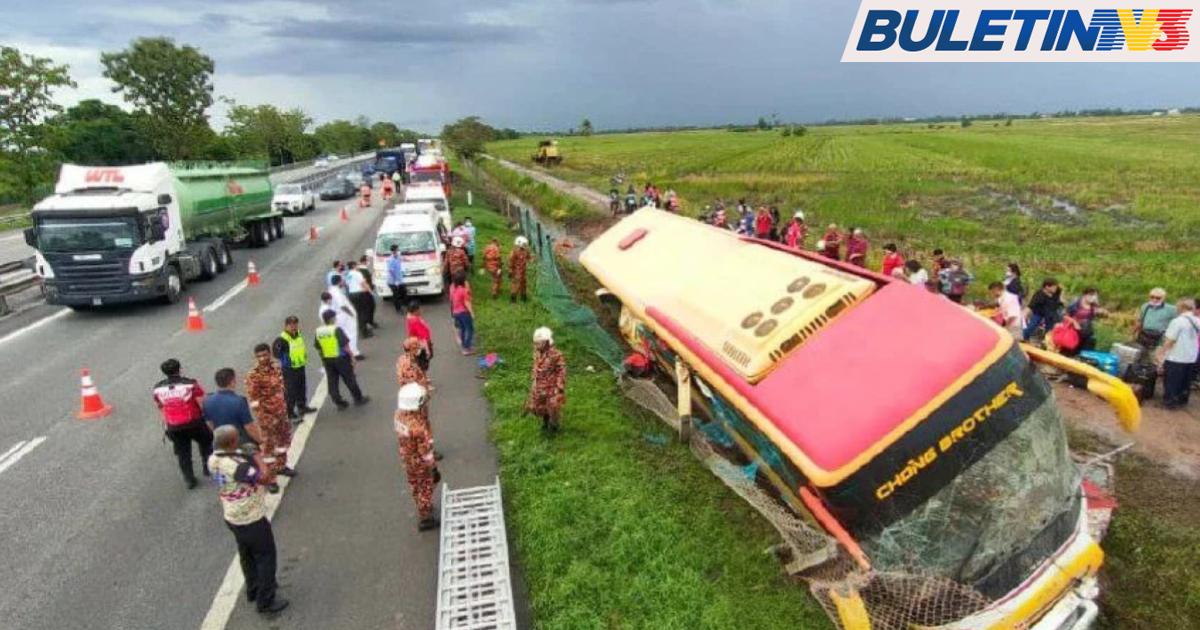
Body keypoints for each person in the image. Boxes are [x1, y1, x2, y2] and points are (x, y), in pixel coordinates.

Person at [208, 425, 289, 617]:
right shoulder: (237, 465)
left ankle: (253, 588)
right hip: (250, 517)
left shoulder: (214, 459)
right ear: (231, 442)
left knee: (247, 554)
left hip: (231, 515)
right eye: (236, 438)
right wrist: (258, 457)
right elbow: (266, 478)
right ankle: (266, 600)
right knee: (266, 556)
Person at [152, 359, 213, 489]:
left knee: (183, 453)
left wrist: (166, 423)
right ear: (179, 369)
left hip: (174, 426)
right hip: (194, 422)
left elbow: (160, 406)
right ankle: (208, 467)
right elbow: (203, 402)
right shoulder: (190, 384)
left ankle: (189, 479)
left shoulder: (157, 388)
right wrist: (208, 419)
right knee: (206, 442)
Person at [246, 343, 296, 484]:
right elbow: (254, 401)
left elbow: (281, 388)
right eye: (259, 356)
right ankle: (270, 478)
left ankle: (281, 466)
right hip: (266, 417)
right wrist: (263, 418)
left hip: (280, 413)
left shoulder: (276, 367)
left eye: (264, 355)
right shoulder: (254, 375)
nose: (262, 358)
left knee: (283, 441)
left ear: (269, 354)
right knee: (268, 448)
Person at [394, 383, 439, 531]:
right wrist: (433, 467)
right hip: (420, 463)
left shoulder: (398, 415)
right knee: (426, 486)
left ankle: (422, 505)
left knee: (415, 485)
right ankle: (425, 517)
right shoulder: (418, 428)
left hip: (407, 459)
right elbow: (425, 452)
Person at [314, 310, 370, 410]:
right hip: (340, 358)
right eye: (334, 317)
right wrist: (352, 357)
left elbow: (318, 346)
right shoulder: (336, 329)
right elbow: (344, 345)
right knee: (349, 378)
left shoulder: (319, 331)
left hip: (327, 359)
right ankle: (358, 398)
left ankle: (339, 402)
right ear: (331, 319)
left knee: (332, 381)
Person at [204, 368, 264, 452]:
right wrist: (261, 441)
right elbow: (249, 427)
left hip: (222, 443)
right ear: (232, 382)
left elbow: (209, 423)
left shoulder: (207, 401)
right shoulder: (239, 401)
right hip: (241, 442)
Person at [272, 316, 317, 422]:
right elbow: (276, 353)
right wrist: (285, 359)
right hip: (289, 369)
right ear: (286, 326)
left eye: (295, 324)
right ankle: (290, 413)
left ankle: (302, 407)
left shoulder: (298, 334)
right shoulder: (281, 339)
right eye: (291, 325)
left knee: (301, 388)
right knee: (291, 392)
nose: (293, 327)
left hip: (300, 366)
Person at [1158, 298, 1200, 410]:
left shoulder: (1177, 321)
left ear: (1181, 308)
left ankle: (1170, 402)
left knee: (1172, 380)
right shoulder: (1197, 320)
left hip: (1177, 356)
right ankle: (1182, 400)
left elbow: (1170, 340)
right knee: (1185, 380)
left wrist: (1161, 352)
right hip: (1191, 356)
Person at [526, 327, 566, 433]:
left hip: (552, 386)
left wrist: (559, 385)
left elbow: (561, 370)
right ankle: (545, 421)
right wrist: (534, 378)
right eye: (535, 343)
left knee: (553, 406)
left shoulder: (555, 354)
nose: (536, 346)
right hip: (539, 385)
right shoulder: (537, 352)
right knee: (539, 406)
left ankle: (554, 427)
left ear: (546, 342)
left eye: (538, 343)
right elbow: (535, 365)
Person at [322, 277, 361, 359]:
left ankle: (348, 351)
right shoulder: (337, 292)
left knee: (345, 333)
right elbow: (342, 305)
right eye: (342, 281)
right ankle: (354, 352)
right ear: (339, 282)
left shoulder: (331, 290)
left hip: (338, 315)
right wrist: (351, 314)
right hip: (343, 315)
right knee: (351, 333)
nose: (343, 282)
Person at [1063, 288, 1107, 354]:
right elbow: (1064, 315)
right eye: (1091, 295)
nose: (1093, 298)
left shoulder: (1093, 306)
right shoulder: (1076, 303)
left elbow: (1104, 316)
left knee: (1086, 351)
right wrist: (1074, 322)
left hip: (1086, 332)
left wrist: (1101, 310)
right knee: (1070, 351)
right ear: (1085, 295)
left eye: (1095, 296)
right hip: (1074, 331)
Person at [344, 260, 374, 339]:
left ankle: (362, 330)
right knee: (363, 312)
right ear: (353, 266)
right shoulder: (357, 273)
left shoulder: (348, 274)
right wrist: (370, 291)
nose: (358, 266)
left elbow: (347, 285)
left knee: (359, 312)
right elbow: (363, 283)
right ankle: (365, 332)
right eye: (356, 265)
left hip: (352, 295)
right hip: (360, 294)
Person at [450, 274, 475, 355]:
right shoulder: (463, 290)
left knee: (463, 329)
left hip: (456, 313)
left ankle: (464, 347)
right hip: (464, 313)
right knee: (470, 329)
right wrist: (472, 313)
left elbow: (452, 301)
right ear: (463, 281)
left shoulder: (454, 290)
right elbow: (467, 302)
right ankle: (467, 347)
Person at [406, 302, 434, 371]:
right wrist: (427, 350)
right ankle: (422, 378)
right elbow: (423, 337)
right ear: (415, 311)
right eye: (419, 309)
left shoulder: (410, 318)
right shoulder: (415, 321)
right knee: (423, 363)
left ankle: (422, 377)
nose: (420, 310)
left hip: (414, 344)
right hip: (420, 345)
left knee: (419, 362)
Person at [357, 254, 378, 328]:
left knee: (371, 306)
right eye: (367, 260)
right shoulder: (362, 270)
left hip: (366, 290)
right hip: (365, 291)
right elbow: (365, 282)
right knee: (369, 306)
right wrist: (370, 290)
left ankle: (370, 321)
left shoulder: (363, 269)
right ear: (364, 261)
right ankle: (368, 322)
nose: (368, 261)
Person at [386, 244, 408, 312]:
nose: (399, 251)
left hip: (399, 279)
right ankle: (398, 309)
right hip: (392, 281)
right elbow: (391, 271)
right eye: (397, 250)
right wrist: (396, 281)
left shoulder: (398, 256)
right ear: (394, 251)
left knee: (404, 291)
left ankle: (405, 304)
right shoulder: (391, 260)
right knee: (396, 295)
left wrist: (409, 260)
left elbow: (403, 259)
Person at [509, 236, 531, 302]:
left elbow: (529, 258)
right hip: (517, 271)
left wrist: (532, 259)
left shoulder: (526, 251)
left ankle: (523, 297)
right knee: (516, 284)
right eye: (524, 244)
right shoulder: (514, 252)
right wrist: (510, 270)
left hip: (523, 270)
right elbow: (511, 261)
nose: (525, 246)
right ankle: (513, 298)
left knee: (523, 284)